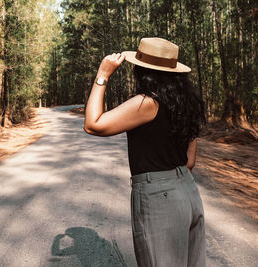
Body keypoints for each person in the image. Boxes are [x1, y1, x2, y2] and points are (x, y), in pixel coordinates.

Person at [84, 37, 206, 267]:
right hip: (189, 192)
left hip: (160, 198)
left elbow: (93, 124)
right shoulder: (187, 103)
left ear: (141, 71)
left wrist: (103, 75)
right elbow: (190, 161)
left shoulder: (147, 103)